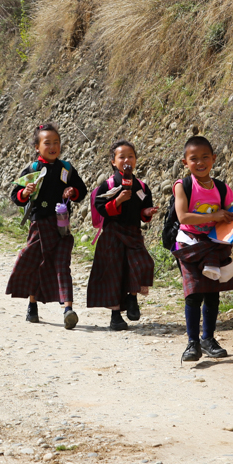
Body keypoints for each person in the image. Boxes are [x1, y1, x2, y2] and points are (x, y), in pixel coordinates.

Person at [171, 136, 233, 362]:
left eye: (205, 157)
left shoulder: (222, 188)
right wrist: (213, 215)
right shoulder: (183, 186)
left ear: (213, 159)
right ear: (185, 162)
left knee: (212, 295)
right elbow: (183, 216)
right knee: (193, 294)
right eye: (193, 158)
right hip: (188, 244)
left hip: (214, 246)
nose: (200, 162)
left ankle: (208, 339)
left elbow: (229, 218)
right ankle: (192, 343)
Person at [5, 123, 87, 329]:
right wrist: (25, 192)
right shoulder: (33, 169)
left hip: (61, 225)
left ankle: (68, 310)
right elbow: (16, 195)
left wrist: (72, 191)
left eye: (56, 142)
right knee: (35, 264)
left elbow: (81, 190)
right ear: (37, 146)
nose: (53, 147)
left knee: (62, 264)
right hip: (39, 224)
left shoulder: (66, 168)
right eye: (47, 143)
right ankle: (32, 305)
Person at [86, 140, 159, 331]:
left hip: (133, 233)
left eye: (131, 156)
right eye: (122, 157)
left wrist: (148, 212)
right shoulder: (108, 184)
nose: (127, 160)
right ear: (113, 161)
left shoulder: (141, 186)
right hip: (112, 235)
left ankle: (132, 298)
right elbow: (100, 208)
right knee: (114, 274)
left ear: (135, 160)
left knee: (141, 264)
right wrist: (117, 201)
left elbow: (144, 208)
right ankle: (115, 316)